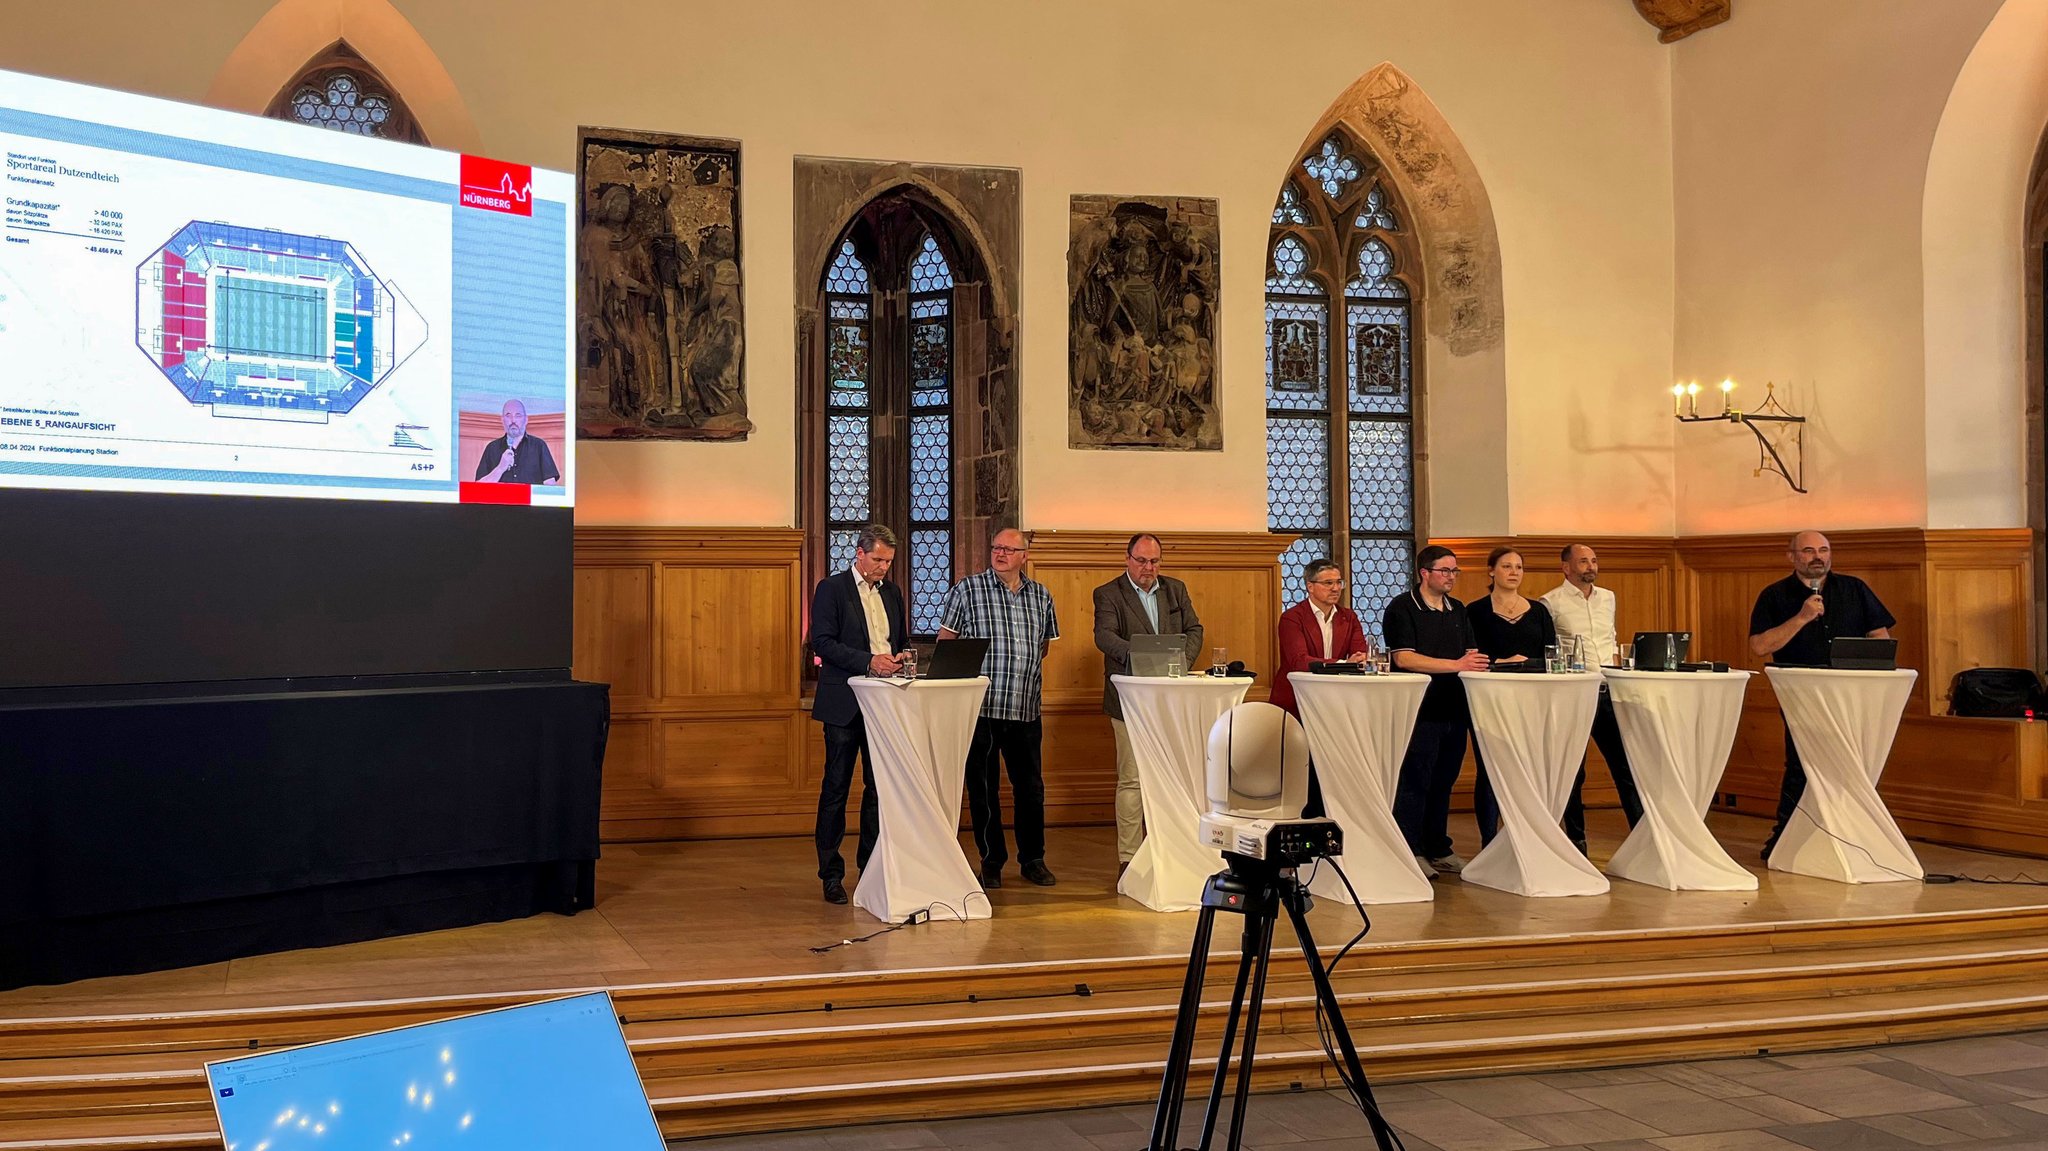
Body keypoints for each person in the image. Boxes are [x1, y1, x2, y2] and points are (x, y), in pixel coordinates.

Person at [1748, 530, 1895, 858]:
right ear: (1792, 556)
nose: (1818, 557)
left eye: (1824, 550)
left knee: (1854, 762)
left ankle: (1853, 835)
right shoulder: (1775, 595)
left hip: (1853, 695)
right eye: (1809, 550)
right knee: (1801, 765)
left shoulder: (1855, 589)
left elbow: (1880, 638)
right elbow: (1759, 646)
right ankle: (1786, 838)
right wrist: (1801, 618)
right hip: (1802, 696)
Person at [938, 528, 1061, 889]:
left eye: (1009, 549)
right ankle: (991, 861)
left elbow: (1045, 646)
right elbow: (948, 643)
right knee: (984, 789)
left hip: (1025, 707)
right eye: (996, 548)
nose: (1001, 553)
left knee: (1031, 788)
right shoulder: (968, 590)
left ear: (1025, 555)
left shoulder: (1041, 595)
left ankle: (1033, 859)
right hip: (983, 709)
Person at [804, 524, 908, 904]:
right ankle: (831, 874)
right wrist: (869, 662)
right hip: (844, 702)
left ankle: (870, 870)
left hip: (886, 704)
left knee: (878, 791)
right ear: (860, 554)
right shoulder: (832, 589)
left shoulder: (893, 593)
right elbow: (823, 643)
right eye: (878, 559)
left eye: (889, 561)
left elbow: (900, 640)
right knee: (836, 788)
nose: (884, 567)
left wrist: (900, 660)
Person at [1093, 532, 1205, 875]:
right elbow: (1105, 636)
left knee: (1173, 776)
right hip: (1128, 699)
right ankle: (1129, 858)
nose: (1148, 568)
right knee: (1131, 780)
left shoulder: (1176, 589)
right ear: (1127, 559)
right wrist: (1144, 656)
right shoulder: (1108, 593)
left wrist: (1179, 660)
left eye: (1154, 561)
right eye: (1141, 560)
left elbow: (1195, 629)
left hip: (1171, 699)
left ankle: (1171, 848)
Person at [1383, 545, 1488, 876]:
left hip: (1454, 707)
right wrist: (1455, 664)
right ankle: (1410, 850)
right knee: (1416, 780)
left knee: (1445, 780)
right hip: (1419, 708)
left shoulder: (1457, 609)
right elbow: (1404, 658)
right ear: (1424, 573)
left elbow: (1471, 653)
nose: (1451, 577)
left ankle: (1438, 847)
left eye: (1455, 571)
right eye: (1445, 571)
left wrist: (1475, 664)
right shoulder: (1402, 608)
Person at [1539, 542, 1646, 854]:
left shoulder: (1608, 598)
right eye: (1583, 561)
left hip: (1609, 689)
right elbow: (1550, 649)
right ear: (1566, 568)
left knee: (1625, 766)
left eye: (1594, 561)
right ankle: (1576, 840)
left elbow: (1609, 638)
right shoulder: (1551, 602)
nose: (1591, 566)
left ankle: (1642, 839)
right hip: (1574, 692)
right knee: (1575, 769)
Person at [1466, 547, 1556, 847]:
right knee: (1490, 769)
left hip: (1531, 699)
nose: (1514, 572)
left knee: (1530, 768)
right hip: (1490, 699)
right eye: (1506, 566)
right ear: (1491, 571)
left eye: (1519, 566)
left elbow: (1551, 656)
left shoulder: (1539, 611)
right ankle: (1489, 842)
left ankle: (1529, 836)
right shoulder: (1475, 611)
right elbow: (1468, 653)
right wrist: (1500, 663)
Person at [1270, 557, 1371, 818]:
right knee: (1300, 768)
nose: (1335, 588)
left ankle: (1327, 819)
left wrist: (1355, 661)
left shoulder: (1348, 617)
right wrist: (1342, 663)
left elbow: (1360, 653)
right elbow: (1299, 661)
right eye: (1328, 583)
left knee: (1329, 768)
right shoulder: (1292, 618)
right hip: (1296, 704)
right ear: (1310, 586)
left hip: (1334, 705)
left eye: (1339, 582)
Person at [474, 399, 561, 485]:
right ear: (502, 420)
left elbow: (550, 486)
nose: (513, 420)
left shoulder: (539, 446)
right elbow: (477, 488)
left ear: (526, 420)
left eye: (518, 415)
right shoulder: (492, 448)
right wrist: (500, 468)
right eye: (508, 415)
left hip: (531, 499)